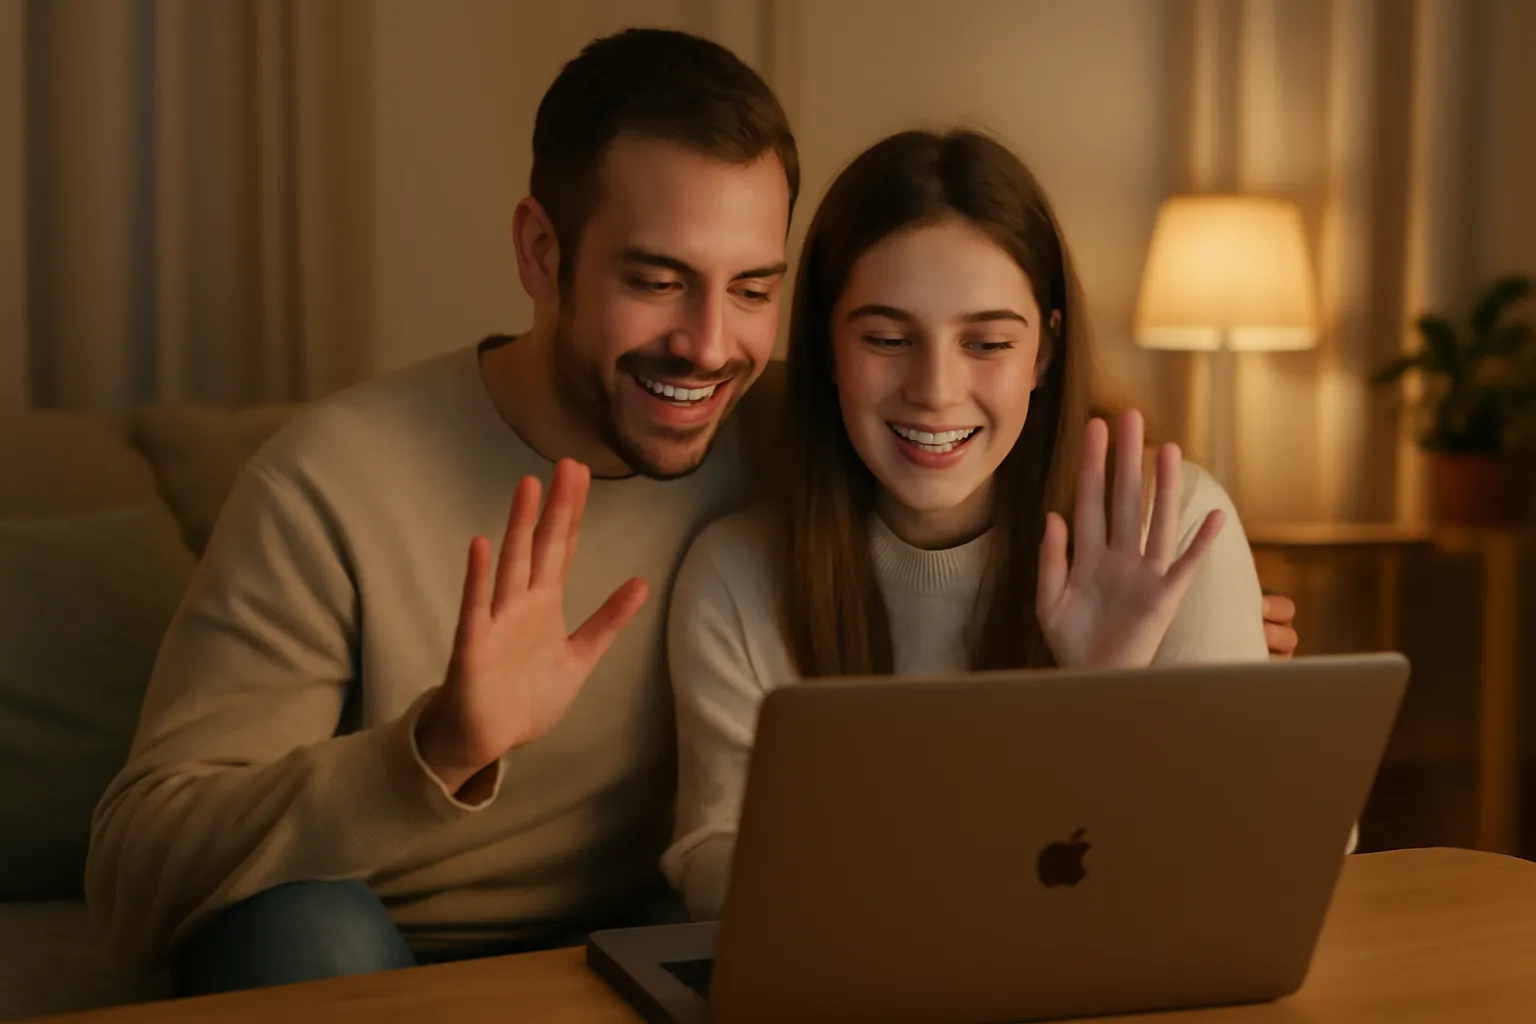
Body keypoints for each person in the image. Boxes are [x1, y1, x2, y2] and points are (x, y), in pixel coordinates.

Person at [85, 28, 1300, 995]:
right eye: (655, 280)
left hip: (668, 945)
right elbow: (134, 872)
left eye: (753, 289)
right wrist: (439, 747)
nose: (708, 347)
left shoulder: (810, 441)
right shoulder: (329, 486)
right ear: (540, 253)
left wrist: (1190, 668)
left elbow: (975, 447)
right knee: (310, 928)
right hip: (385, 944)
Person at [660, 128, 1335, 923]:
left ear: (1044, 352)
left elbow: (1258, 855)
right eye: (886, 339)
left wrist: (1108, 703)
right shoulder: (738, 571)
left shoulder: (1174, 526)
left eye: (987, 343)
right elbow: (715, 868)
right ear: (827, 348)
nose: (937, 391)